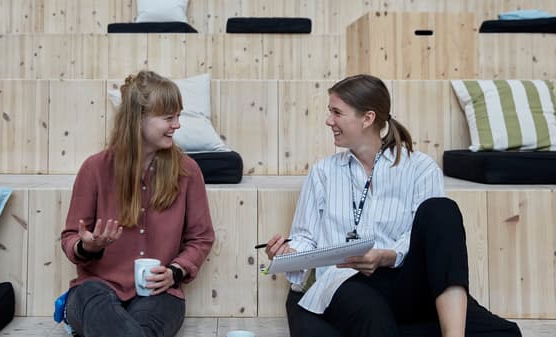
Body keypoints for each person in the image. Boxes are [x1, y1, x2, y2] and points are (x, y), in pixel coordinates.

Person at [265, 74, 521, 337]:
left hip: (404, 280)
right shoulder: (323, 172)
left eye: (337, 113)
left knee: (442, 211)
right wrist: (288, 254)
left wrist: (387, 256)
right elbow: (306, 237)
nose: (329, 121)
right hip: (345, 280)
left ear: (368, 118)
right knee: (373, 318)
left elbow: (424, 238)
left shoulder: (420, 168)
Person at [61, 70, 215, 337]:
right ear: (138, 119)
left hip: (159, 293)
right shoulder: (95, 168)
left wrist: (174, 272)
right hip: (95, 289)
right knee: (99, 306)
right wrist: (88, 246)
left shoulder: (188, 171)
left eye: (178, 116)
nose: (177, 125)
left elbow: (200, 238)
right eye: (169, 118)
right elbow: (70, 238)